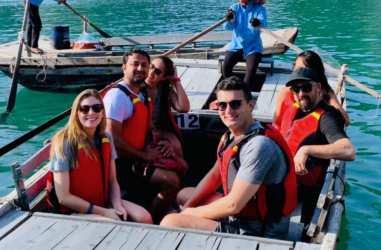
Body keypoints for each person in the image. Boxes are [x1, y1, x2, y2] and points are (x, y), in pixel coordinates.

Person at [160, 77, 297, 238]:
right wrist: (189, 206)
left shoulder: (259, 146)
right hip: (240, 216)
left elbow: (234, 204)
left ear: (250, 105)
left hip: (259, 230)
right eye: (222, 105)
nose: (228, 110)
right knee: (185, 195)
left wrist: (190, 214)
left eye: (235, 104)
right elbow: (215, 175)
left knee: (170, 222)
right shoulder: (231, 136)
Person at [46, 89, 152, 223]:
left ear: (103, 112)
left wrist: (117, 205)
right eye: (84, 109)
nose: (91, 113)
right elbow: (63, 197)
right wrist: (103, 212)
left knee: (144, 217)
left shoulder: (106, 138)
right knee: (114, 223)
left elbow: (112, 181)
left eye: (97, 108)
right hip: (73, 211)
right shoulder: (64, 143)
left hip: (102, 202)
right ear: (76, 113)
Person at [103, 49, 181, 223]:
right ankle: (154, 221)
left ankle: (163, 205)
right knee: (171, 181)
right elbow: (112, 139)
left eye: (144, 65)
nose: (140, 68)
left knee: (182, 165)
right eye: (135, 64)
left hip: (137, 156)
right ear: (124, 68)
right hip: (120, 164)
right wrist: (145, 156)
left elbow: (150, 128)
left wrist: (163, 142)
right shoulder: (117, 97)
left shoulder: (140, 95)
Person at [279, 67, 355, 220]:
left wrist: (306, 150)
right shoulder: (296, 109)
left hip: (298, 187)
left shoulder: (326, 118)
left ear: (318, 87)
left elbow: (349, 151)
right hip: (281, 176)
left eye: (306, 88)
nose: (301, 94)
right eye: (296, 89)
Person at [141, 56, 190, 176]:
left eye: (158, 72)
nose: (151, 73)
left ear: (164, 78)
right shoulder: (138, 86)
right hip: (141, 129)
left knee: (176, 145)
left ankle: (180, 179)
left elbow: (183, 107)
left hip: (158, 127)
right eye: (151, 67)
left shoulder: (163, 89)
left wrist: (176, 80)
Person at [273, 51, 350, 127]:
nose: (301, 73)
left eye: (306, 70)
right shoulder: (285, 92)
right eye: (297, 69)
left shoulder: (324, 92)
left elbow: (346, 119)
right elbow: (276, 123)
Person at [222, 0, 267, 85]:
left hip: (253, 47)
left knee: (251, 70)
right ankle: (230, 87)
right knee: (226, 66)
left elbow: (263, 23)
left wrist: (257, 22)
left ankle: (245, 91)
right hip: (236, 45)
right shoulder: (234, 8)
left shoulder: (259, 9)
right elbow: (228, 27)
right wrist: (229, 19)